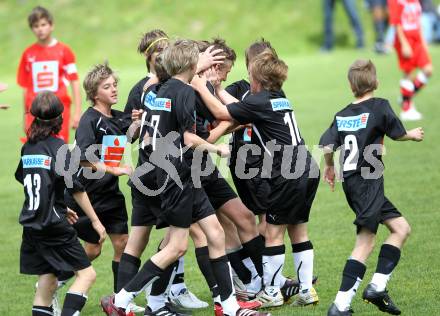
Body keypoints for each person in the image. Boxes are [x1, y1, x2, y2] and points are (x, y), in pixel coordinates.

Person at [101, 39, 269, 316]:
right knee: (176, 247)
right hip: (176, 175)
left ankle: (228, 307)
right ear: (192, 64)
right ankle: (121, 299)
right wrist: (216, 148)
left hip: (179, 173)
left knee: (214, 233)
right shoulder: (184, 94)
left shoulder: (158, 89)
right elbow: (188, 137)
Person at [192, 50, 319, 309]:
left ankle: (271, 291)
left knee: (273, 234)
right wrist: (217, 88)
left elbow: (221, 110)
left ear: (258, 81)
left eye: (250, 76)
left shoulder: (259, 102)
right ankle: (307, 290)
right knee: (299, 230)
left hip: (287, 172)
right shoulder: (278, 98)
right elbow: (236, 105)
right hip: (308, 166)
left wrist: (199, 84)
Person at [320, 59, 424, 316]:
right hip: (368, 183)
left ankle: (377, 287)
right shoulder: (380, 107)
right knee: (365, 242)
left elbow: (326, 145)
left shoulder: (342, 114)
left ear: (350, 85)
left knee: (401, 228)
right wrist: (410, 135)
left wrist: (330, 166)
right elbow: (397, 133)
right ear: (376, 83)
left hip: (355, 184)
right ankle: (341, 305)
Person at [15, 91, 104, 316]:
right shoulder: (58, 147)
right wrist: (95, 221)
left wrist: (58, 206)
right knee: (86, 275)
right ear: (59, 118)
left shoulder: (28, 147)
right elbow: (75, 188)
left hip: (32, 224)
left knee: (47, 282)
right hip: (54, 227)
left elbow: (25, 178)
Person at [64, 62, 132, 295]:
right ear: (94, 94)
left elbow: (136, 125)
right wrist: (113, 170)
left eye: (114, 85)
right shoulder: (89, 120)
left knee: (123, 242)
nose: (114, 89)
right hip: (86, 194)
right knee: (93, 249)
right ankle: (56, 281)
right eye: (107, 87)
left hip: (110, 193)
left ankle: (120, 301)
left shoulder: (120, 118)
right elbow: (81, 158)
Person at [17, 6, 82, 143]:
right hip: (35, 113)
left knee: (58, 151)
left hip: (59, 111)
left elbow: (74, 82)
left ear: (51, 25)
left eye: (43, 24)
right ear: (32, 28)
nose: (40, 29)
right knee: (35, 149)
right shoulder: (28, 54)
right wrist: (25, 117)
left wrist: (77, 112)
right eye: (35, 26)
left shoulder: (64, 51)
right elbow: (26, 89)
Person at [388, 0, 433, 121]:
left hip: (417, 39)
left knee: (428, 70)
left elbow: (418, 22)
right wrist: (404, 43)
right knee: (408, 73)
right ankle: (406, 109)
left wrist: (423, 41)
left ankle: (405, 96)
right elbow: (396, 22)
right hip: (406, 40)